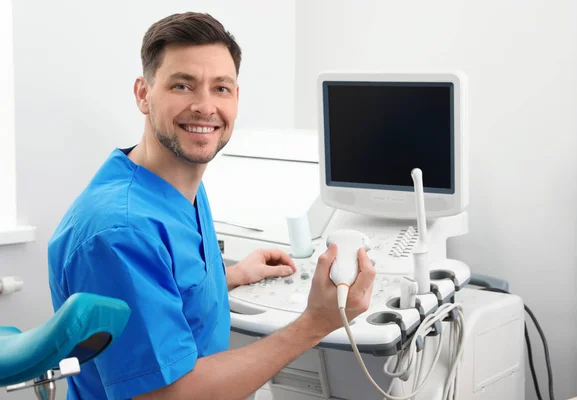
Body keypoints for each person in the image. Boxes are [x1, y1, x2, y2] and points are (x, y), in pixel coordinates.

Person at [48, 11, 375, 400]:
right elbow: (164, 395)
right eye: (183, 85)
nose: (205, 107)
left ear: (236, 97)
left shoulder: (178, 180)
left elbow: (166, 283)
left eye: (221, 88)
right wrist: (316, 322)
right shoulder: (121, 230)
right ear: (143, 94)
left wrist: (229, 275)